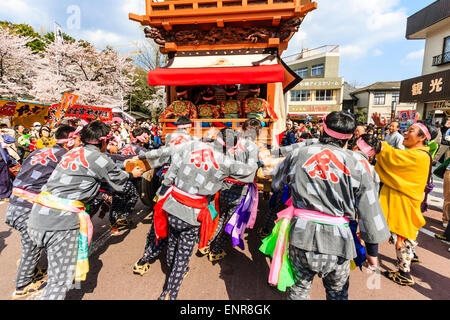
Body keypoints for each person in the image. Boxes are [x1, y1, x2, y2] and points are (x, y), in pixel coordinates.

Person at [261, 111, 390, 300]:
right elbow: (369, 212)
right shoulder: (361, 164)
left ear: (323, 128)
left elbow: (276, 181)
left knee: (297, 293)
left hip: (301, 237)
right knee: (337, 294)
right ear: (352, 134)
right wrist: (372, 255)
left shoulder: (299, 153)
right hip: (340, 241)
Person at [26, 121, 144, 300]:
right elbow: (119, 182)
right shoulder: (99, 158)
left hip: (39, 212)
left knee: (56, 268)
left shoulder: (72, 151)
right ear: (104, 142)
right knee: (60, 281)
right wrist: (132, 174)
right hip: (61, 219)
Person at [150, 128, 257, 300]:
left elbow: (170, 174)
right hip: (193, 213)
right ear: (231, 148)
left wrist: (163, 189)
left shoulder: (191, 146)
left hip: (172, 204)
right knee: (183, 254)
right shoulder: (225, 161)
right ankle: (170, 292)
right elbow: (249, 174)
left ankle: (172, 273)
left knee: (172, 243)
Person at [5, 125, 81, 299]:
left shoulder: (40, 151)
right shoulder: (67, 157)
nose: (80, 142)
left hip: (16, 203)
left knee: (34, 243)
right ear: (69, 141)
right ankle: (22, 285)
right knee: (31, 248)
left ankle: (33, 271)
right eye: (78, 139)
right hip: (28, 208)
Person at [371, 112, 438, 286]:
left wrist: (379, 134)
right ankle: (411, 257)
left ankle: (404, 273)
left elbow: (391, 156)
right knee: (407, 235)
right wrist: (381, 130)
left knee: (403, 236)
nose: (405, 133)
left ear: (422, 137)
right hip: (407, 201)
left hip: (405, 202)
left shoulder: (418, 156)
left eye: (411, 130)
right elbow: (391, 154)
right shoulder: (418, 153)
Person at [207, 119, 260, 262]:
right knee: (230, 220)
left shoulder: (231, 140)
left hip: (223, 185)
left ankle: (207, 243)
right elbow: (250, 170)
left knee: (220, 216)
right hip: (239, 188)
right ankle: (216, 250)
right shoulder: (253, 147)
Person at [350, 133, 383, 271]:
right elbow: (369, 210)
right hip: (348, 217)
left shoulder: (338, 156)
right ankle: (372, 262)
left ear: (356, 145)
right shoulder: (371, 171)